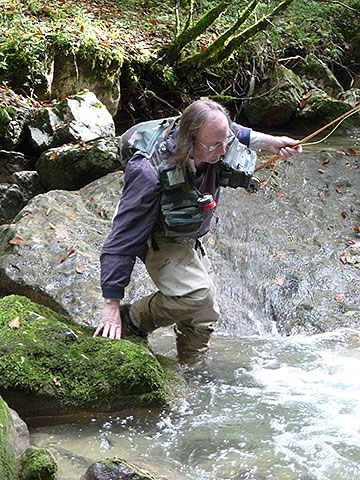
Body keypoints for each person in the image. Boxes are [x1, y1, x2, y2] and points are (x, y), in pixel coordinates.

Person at [93, 99, 302, 362]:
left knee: (206, 312)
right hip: (157, 236)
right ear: (188, 141)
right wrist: (111, 302)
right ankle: (133, 319)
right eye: (214, 145)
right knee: (196, 293)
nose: (224, 150)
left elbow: (237, 133)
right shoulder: (148, 170)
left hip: (189, 235)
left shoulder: (216, 137)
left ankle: (190, 370)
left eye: (225, 141)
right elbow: (122, 235)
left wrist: (273, 142)